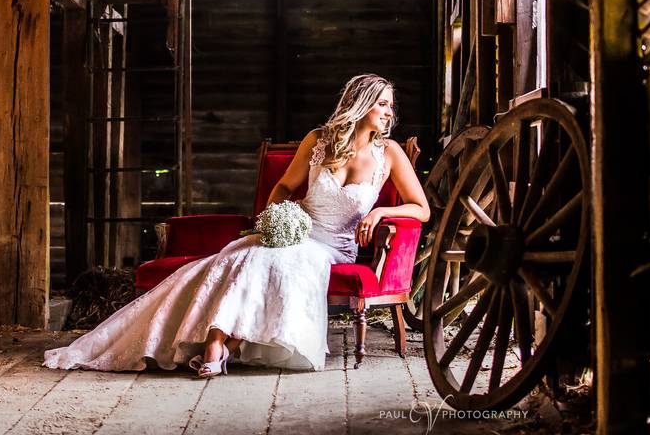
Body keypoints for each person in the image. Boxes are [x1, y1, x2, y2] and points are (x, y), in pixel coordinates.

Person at [43, 74, 430, 376]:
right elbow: (283, 187)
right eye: (381, 104)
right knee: (240, 257)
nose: (388, 113)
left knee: (274, 261)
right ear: (360, 105)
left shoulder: (390, 153)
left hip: (333, 245)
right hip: (297, 234)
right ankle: (217, 344)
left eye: (390, 106)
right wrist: (279, 221)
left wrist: (381, 213)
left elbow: (421, 209)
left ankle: (221, 345)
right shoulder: (317, 141)